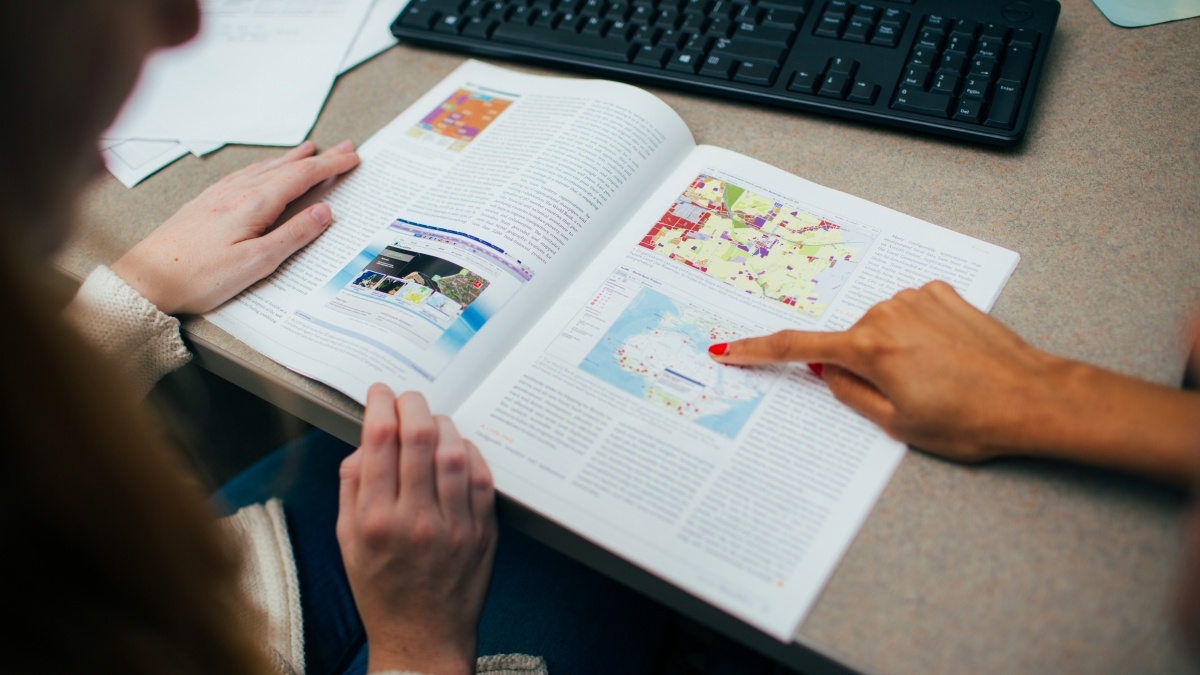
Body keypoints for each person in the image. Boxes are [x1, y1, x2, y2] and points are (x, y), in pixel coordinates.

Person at [1, 1, 665, 673]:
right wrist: (418, 649)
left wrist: (137, 287)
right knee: (615, 543)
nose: (187, 23)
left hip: (225, 584)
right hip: (398, 640)